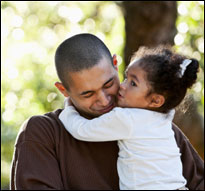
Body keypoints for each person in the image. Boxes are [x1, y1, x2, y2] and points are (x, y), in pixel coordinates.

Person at [10, 33, 204, 190]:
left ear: (115, 64)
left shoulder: (155, 126)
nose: (104, 100)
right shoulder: (43, 133)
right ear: (63, 90)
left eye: (109, 84)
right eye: (88, 94)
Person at [59, 46, 198, 190]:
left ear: (156, 101)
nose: (123, 86)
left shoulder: (126, 119)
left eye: (133, 83)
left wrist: (68, 108)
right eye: (126, 77)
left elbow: (82, 130)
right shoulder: (164, 117)